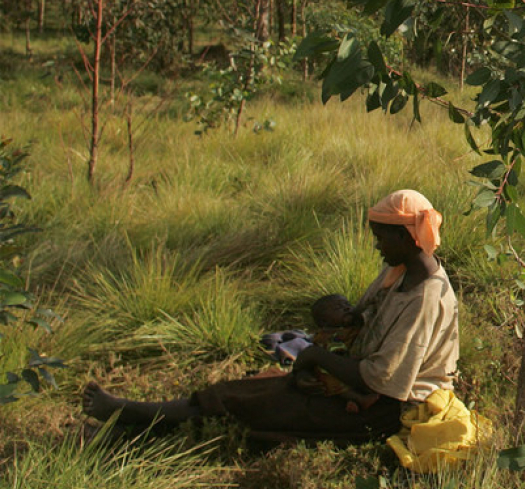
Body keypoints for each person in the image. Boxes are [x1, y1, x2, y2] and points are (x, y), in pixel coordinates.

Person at [82, 189, 459, 444]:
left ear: (409, 238)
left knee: (254, 403)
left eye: (381, 238)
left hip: (388, 413)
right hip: (365, 390)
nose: (376, 246)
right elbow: (363, 320)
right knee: (262, 390)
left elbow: (384, 379)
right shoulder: (401, 272)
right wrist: (342, 331)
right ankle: (140, 420)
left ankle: (133, 416)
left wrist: (314, 357)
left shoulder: (425, 296)